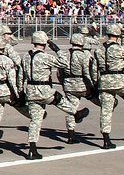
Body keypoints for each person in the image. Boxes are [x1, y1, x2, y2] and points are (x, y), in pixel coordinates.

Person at [22, 31, 89, 159]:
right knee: (58, 99)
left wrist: (21, 90)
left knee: (35, 121)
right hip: (43, 89)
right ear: (44, 42)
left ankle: (32, 149)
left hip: (30, 90)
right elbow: (64, 63)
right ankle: (75, 113)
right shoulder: (45, 56)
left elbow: (21, 75)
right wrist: (57, 50)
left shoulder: (26, 56)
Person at [0, 36, 27, 155]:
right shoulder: (6, 60)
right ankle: (34, 115)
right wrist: (17, 94)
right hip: (4, 90)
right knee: (20, 105)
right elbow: (12, 80)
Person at [59, 33, 97, 144]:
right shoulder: (84, 55)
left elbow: (59, 72)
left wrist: (63, 83)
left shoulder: (65, 54)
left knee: (71, 108)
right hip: (81, 84)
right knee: (99, 100)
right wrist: (92, 85)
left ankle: (71, 135)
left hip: (68, 84)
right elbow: (87, 73)